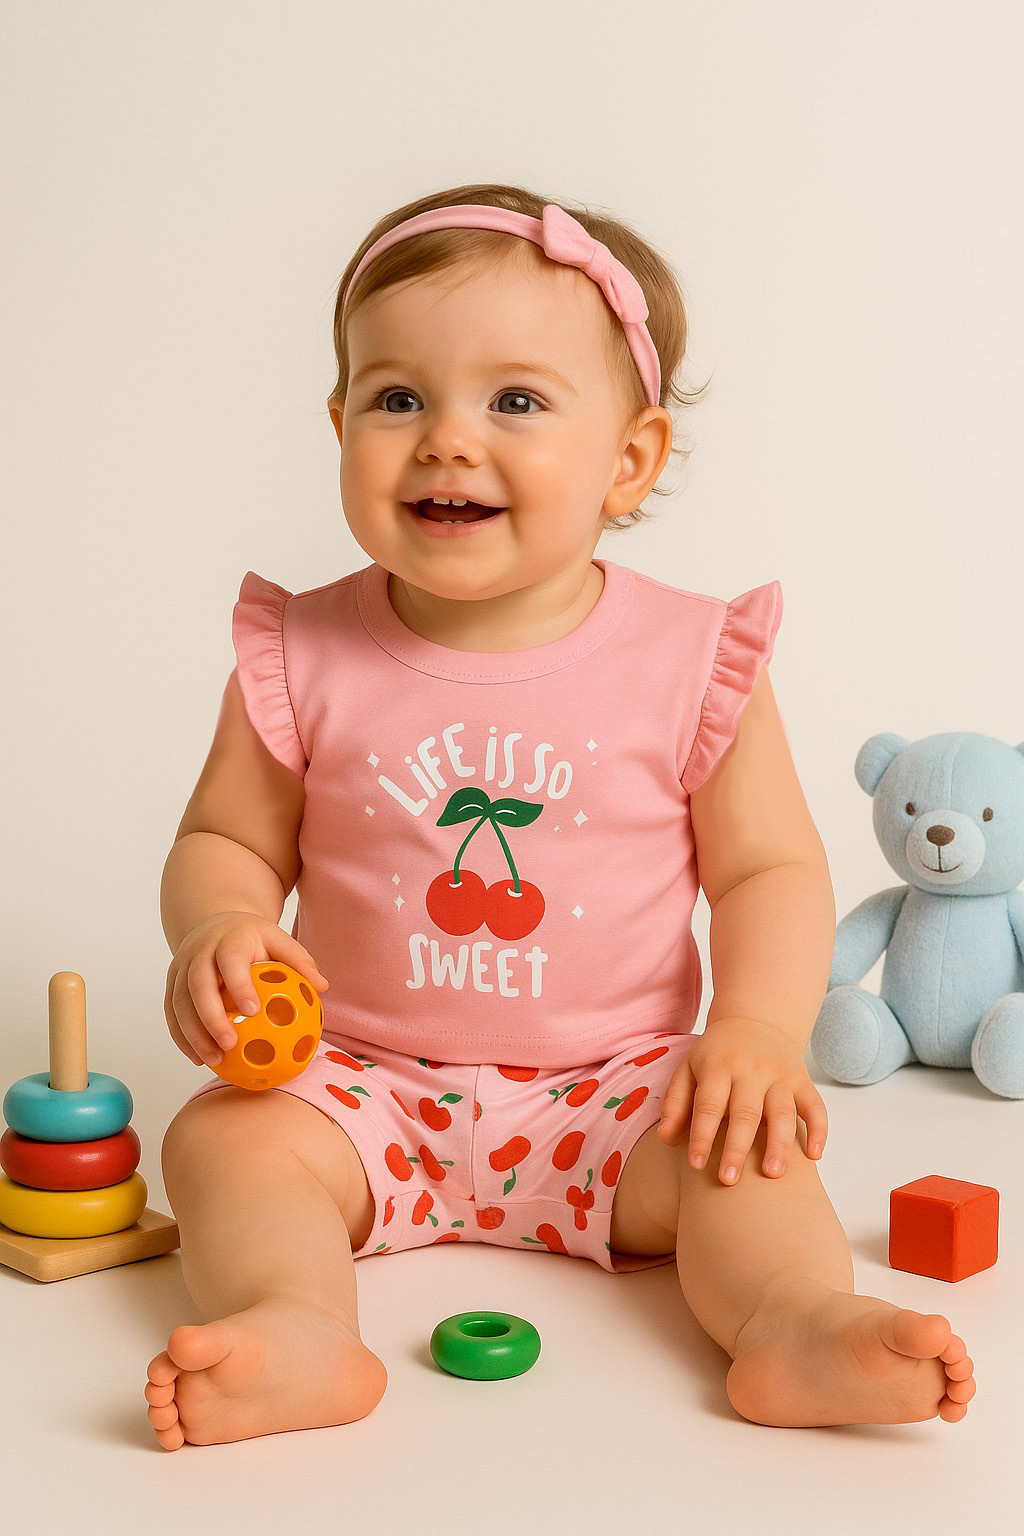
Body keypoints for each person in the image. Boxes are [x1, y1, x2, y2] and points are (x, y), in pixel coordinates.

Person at [144, 184, 976, 1451]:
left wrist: (753, 1033)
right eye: (397, 398)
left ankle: (795, 1322)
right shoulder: (299, 650)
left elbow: (765, 869)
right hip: (356, 1087)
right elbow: (228, 839)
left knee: (739, 1149)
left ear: (628, 460)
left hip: (617, 1093)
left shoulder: (691, 658)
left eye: (516, 402)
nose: (446, 440)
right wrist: (216, 926)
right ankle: (296, 1323)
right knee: (222, 1142)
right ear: (340, 422)